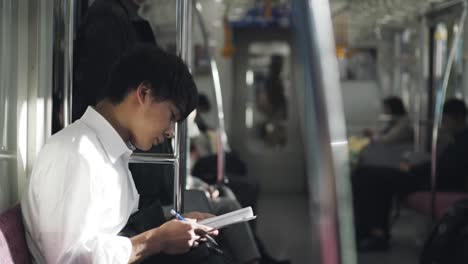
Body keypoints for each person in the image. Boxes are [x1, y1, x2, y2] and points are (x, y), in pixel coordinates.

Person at [21, 44, 226, 264]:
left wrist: (171, 225)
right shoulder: (75, 153)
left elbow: (118, 233)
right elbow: (68, 259)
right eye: (172, 117)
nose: (170, 132)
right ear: (144, 93)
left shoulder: (110, 154)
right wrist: (156, 240)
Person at [353, 98, 468, 251]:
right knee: (365, 175)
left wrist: (416, 169)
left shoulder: (462, 141)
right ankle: (370, 231)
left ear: (458, 119)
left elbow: (448, 168)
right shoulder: (456, 139)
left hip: (432, 181)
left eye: (446, 120)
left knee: (372, 178)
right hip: (427, 177)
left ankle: (375, 234)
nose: (443, 124)